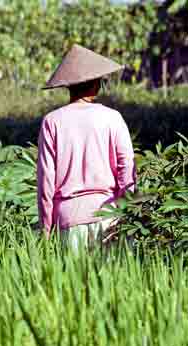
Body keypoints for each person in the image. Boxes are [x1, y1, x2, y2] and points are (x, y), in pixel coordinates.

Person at [37, 44, 136, 251]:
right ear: (96, 85)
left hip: (68, 219)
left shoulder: (52, 121)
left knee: (72, 283)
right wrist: (127, 211)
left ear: (69, 86)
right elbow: (127, 169)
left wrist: (46, 230)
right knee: (115, 282)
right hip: (110, 216)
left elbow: (46, 182)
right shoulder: (112, 118)